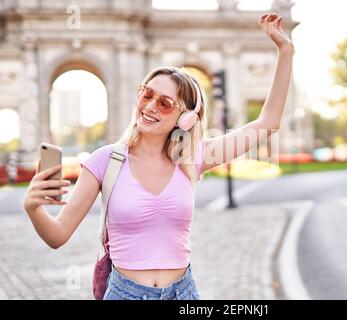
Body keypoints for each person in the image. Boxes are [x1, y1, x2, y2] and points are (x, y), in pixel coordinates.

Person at [23, 12, 294, 300]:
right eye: (147, 94)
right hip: (124, 294)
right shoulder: (105, 160)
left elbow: (267, 124)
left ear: (186, 118)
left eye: (165, 103)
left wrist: (285, 51)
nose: (150, 106)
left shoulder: (193, 158)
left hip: (184, 294)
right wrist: (34, 207)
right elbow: (58, 235)